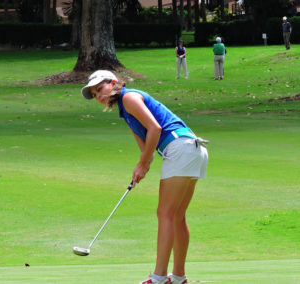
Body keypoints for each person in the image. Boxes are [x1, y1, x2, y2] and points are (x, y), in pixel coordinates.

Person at [81, 70, 208, 284]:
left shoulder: (129, 97)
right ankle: (178, 277)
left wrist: (142, 164)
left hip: (179, 147)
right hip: (191, 149)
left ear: (113, 83)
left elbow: (155, 128)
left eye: (100, 88)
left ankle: (159, 277)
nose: (98, 95)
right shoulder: (125, 111)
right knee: (176, 216)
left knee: (165, 213)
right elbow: (146, 149)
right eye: (94, 94)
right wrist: (141, 167)